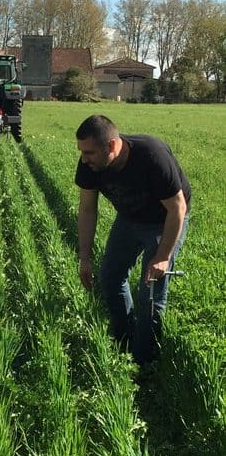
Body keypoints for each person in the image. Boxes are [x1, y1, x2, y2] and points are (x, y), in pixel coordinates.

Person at [74, 114, 191, 366]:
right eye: (82, 152)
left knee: (150, 291)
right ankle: (124, 341)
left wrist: (162, 257)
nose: (84, 159)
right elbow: (87, 209)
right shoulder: (89, 164)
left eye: (90, 152)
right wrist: (84, 256)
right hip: (129, 219)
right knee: (110, 277)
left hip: (164, 220)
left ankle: (143, 363)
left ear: (113, 146)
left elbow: (177, 208)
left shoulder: (151, 156)